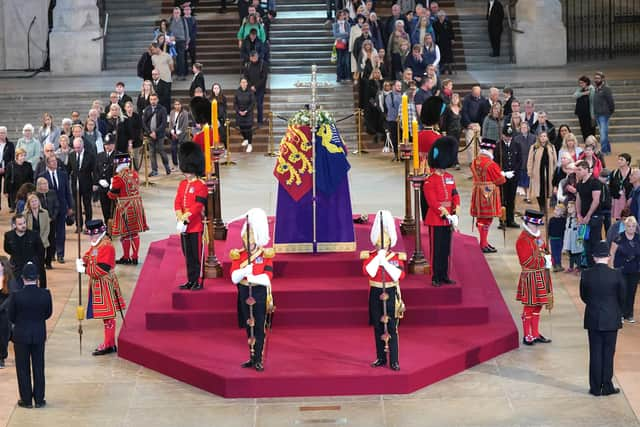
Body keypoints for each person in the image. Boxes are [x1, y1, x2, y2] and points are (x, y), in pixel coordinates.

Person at [230, 208, 274, 372]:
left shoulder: (266, 254)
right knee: (249, 325)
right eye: (246, 240)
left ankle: (259, 358)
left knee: (259, 327)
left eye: (251, 240)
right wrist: (243, 271)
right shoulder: (238, 255)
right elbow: (234, 277)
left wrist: (251, 276)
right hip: (243, 293)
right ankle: (251, 355)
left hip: (259, 293)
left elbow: (267, 277)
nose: (248, 243)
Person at [360, 210, 405, 371]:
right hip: (375, 292)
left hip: (391, 292)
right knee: (378, 327)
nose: (382, 243)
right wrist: (378, 258)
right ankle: (380, 357)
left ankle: (394, 360)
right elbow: (369, 272)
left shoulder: (394, 257)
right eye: (380, 241)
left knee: (392, 327)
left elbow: (399, 275)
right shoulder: (371, 256)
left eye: (385, 241)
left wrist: (385, 262)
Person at [580, 240, 625, 396]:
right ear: (608, 257)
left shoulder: (586, 274)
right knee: (608, 353)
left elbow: (584, 296)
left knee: (595, 353)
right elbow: (622, 298)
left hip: (593, 318)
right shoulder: (616, 275)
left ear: (593, 257)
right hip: (611, 318)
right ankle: (607, 386)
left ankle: (594, 388)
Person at [76, 220, 126, 356]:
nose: (90, 238)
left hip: (105, 284)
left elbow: (102, 269)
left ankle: (109, 344)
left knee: (108, 316)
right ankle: (109, 343)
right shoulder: (98, 243)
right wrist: (83, 260)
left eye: (92, 235)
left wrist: (85, 270)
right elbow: (90, 253)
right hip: (98, 285)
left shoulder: (106, 246)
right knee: (106, 316)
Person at [7, 262, 52, 408]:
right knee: (39, 367)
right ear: (37, 278)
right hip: (38, 334)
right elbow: (48, 313)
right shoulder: (45, 294)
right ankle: (39, 399)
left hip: (21, 335)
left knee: (22, 368)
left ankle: (26, 400)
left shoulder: (16, 296)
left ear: (23, 278)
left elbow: (11, 316)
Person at [423, 137, 459, 286]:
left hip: (449, 218)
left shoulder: (450, 177)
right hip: (437, 218)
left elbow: (455, 194)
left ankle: (444, 275)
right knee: (436, 250)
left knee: (446, 249)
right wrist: (445, 213)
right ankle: (435, 276)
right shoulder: (429, 180)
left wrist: (455, 211)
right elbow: (432, 202)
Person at [516, 209, 554, 345]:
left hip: (541, 275)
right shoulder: (523, 240)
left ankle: (536, 333)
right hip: (530, 276)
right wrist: (545, 260)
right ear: (527, 223)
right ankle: (527, 335)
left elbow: (543, 249)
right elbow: (526, 261)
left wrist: (547, 256)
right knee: (530, 306)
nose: (537, 228)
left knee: (538, 306)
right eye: (534, 225)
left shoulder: (536, 237)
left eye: (538, 225)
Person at [174, 142, 208, 291]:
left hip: (195, 226)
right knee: (187, 255)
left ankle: (199, 280)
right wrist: (179, 214)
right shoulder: (182, 184)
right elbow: (178, 200)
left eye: (188, 170)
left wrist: (187, 216)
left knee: (196, 256)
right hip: (184, 225)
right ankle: (190, 279)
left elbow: (198, 206)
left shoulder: (201, 185)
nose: (186, 173)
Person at [107, 154, 149, 265]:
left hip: (125, 207)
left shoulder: (118, 178)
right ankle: (134, 257)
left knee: (125, 233)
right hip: (137, 205)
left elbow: (112, 195)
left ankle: (126, 257)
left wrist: (109, 187)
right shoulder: (134, 174)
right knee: (134, 233)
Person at [470, 138, 509, 253]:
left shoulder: (475, 161)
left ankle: (484, 242)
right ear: (490, 149)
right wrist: (503, 174)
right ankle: (483, 243)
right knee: (487, 219)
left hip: (477, 191)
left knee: (481, 218)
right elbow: (500, 180)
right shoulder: (490, 163)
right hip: (488, 193)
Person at [38, 156, 72, 264]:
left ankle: (60, 254)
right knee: (50, 233)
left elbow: (68, 191)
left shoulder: (63, 175)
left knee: (61, 232)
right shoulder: (42, 176)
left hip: (62, 208)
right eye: (52, 161)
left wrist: (70, 206)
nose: (55, 163)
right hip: (49, 210)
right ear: (47, 164)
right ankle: (51, 254)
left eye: (55, 161)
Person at [609, 216, 640, 324]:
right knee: (622, 291)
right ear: (625, 227)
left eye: (633, 226)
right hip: (620, 269)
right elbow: (612, 252)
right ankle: (620, 313)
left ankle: (629, 314)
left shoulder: (638, 238)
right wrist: (611, 266)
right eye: (629, 226)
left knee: (632, 292)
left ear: (635, 227)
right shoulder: (619, 237)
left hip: (634, 270)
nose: (631, 228)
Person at [4, 214, 45, 284]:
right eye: (20, 224)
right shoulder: (8, 236)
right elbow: (7, 249)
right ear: (14, 225)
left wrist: (36, 264)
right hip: (16, 268)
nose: (23, 225)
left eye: (24, 223)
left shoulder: (34, 235)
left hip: (30, 267)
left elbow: (41, 251)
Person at [576, 160, 603, 267]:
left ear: (587, 170)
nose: (577, 172)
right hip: (583, 218)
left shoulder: (595, 182)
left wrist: (588, 215)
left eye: (579, 170)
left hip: (595, 217)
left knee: (595, 243)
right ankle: (590, 267)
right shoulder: (579, 184)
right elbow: (578, 199)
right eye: (576, 170)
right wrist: (578, 214)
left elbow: (596, 200)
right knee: (586, 244)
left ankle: (598, 267)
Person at [494, 124, 521, 228]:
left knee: (511, 198)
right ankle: (502, 220)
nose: (508, 138)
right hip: (502, 177)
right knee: (502, 198)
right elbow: (495, 161)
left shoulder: (516, 145)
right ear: (502, 135)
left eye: (510, 136)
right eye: (506, 136)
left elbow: (519, 161)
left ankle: (511, 220)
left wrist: (514, 172)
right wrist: (502, 173)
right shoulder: (498, 146)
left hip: (513, 177)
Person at [23, 194, 50, 288]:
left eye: (35, 201)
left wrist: (41, 241)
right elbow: (24, 229)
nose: (34, 203)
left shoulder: (45, 212)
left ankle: (43, 287)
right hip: (30, 243)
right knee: (30, 264)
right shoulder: (25, 214)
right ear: (29, 204)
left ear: (39, 202)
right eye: (32, 202)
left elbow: (47, 228)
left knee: (41, 266)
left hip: (42, 242)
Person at [69, 137, 96, 229]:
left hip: (87, 183)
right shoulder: (71, 155)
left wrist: (95, 183)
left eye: (78, 147)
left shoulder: (90, 155)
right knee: (77, 205)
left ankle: (88, 225)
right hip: (75, 184)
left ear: (82, 145)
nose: (77, 150)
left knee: (87, 204)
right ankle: (79, 225)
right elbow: (68, 169)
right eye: (75, 148)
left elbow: (95, 170)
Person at [527, 131, 557, 213]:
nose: (543, 138)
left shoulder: (551, 147)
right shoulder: (534, 147)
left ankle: (545, 206)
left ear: (547, 137)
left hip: (548, 172)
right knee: (539, 191)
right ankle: (541, 206)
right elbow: (530, 160)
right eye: (541, 136)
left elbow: (555, 160)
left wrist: (554, 171)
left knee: (547, 190)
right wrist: (529, 171)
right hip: (537, 172)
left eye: (545, 136)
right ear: (539, 138)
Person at [142, 94, 171, 176]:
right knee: (151, 153)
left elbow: (164, 123)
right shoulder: (147, 109)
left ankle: (166, 166)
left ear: (157, 100)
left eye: (154, 99)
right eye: (151, 99)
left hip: (160, 134)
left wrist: (156, 132)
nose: (153, 101)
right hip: (150, 135)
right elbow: (144, 123)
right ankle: (154, 170)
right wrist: (150, 133)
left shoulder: (162, 109)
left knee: (161, 150)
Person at [461, 86, 490, 165]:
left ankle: (479, 160)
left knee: (479, 144)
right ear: (472, 92)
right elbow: (464, 112)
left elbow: (484, 113)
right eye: (475, 93)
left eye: (478, 93)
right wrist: (468, 123)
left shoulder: (483, 100)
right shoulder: (467, 99)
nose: (476, 95)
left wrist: (482, 124)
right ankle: (472, 161)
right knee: (470, 144)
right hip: (470, 125)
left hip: (479, 125)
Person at [35, 178, 58, 270]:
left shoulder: (52, 193)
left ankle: (48, 261)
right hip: (40, 222)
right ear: (38, 185)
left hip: (52, 221)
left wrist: (52, 217)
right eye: (42, 184)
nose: (45, 185)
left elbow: (57, 206)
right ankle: (40, 262)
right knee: (42, 241)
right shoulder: (35, 195)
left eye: (46, 183)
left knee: (51, 241)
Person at [94, 136, 117, 223]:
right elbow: (95, 170)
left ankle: (114, 226)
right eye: (106, 144)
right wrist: (99, 180)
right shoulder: (100, 156)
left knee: (113, 208)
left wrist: (113, 181)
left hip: (113, 187)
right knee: (104, 207)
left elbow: (121, 171)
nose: (107, 146)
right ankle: (107, 226)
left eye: (109, 144)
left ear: (114, 145)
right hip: (102, 187)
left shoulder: (118, 156)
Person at [4, 148, 33, 213]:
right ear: (17, 156)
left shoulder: (28, 165)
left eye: (24, 155)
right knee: (17, 209)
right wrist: (5, 191)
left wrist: (32, 190)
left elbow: (31, 178)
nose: (23, 157)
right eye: (21, 155)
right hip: (14, 191)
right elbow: (7, 179)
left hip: (25, 190)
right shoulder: (10, 165)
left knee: (25, 207)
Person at [243, 51, 268, 126]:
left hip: (260, 88)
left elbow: (264, 78)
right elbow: (246, 76)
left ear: (257, 57)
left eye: (255, 58)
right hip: (250, 88)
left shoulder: (263, 64)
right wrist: (251, 86)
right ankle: (249, 120)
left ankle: (260, 121)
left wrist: (255, 86)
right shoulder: (248, 64)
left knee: (259, 105)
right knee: (249, 105)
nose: (253, 59)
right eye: (252, 58)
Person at [593, 72, 615, 155]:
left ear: (602, 79)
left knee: (603, 134)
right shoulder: (596, 88)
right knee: (604, 133)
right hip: (597, 114)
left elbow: (611, 102)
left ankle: (604, 151)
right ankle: (608, 150)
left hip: (604, 114)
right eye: (595, 78)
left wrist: (610, 111)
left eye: (598, 78)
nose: (596, 80)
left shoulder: (606, 89)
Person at [235, 78, 256, 153]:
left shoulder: (250, 91)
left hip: (248, 113)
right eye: (242, 82)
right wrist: (239, 111)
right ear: (240, 83)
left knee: (248, 128)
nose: (243, 84)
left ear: (247, 83)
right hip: (240, 113)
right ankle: (245, 139)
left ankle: (250, 144)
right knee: (241, 127)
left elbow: (252, 103)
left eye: (245, 82)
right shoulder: (237, 91)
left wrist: (246, 111)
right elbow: (235, 103)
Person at [169, 7, 190, 80]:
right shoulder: (171, 20)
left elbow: (187, 31)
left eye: (178, 12)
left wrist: (187, 42)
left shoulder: (183, 20)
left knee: (181, 59)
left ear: (180, 13)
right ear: (173, 13)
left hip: (181, 41)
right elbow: (169, 31)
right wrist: (170, 38)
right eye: (175, 12)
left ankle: (182, 74)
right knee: (174, 59)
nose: (176, 14)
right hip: (173, 42)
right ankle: (176, 73)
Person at [610, 153, 633, 221]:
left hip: (629, 199)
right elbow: (610, 186)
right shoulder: (614, 172)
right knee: (619, 218)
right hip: (618, 199)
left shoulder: (632, 172)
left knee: (630, 218)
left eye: (622, 160)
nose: (619, 161)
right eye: (619, 159)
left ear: (627, 162)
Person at [574, 75, 596, 141]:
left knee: (590, 130)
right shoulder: (580, 89)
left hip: (589, 113)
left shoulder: (591, 89)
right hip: (581, 113)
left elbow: (592, 102)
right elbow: (574, 95)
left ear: (586, 82)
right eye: (580, 83)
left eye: (582, 83)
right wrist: (583, 93)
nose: (580, 84)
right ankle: (586, 143)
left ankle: (592, 144)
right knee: (583, 129)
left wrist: (593, 115)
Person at [169, 100, 189, 170]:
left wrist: (178, 133)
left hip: (182, 135)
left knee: (182, 150)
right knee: (173, 149)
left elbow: (185, 125)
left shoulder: (185, 113)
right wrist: (172, 131)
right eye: (176, 104)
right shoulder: (172, 112)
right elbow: (170, 124)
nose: (177, 106)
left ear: (181, 105)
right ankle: (175, 164)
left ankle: (183, 165)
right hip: (173, 134)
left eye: (178, 104)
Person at [333, 10, 351, 83]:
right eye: (340, 15)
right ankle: (339, 77)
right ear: (338, 16)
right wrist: (344, 34)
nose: (342, 17)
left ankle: (347, 76)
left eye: (343, 15)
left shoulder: (347, 24)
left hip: (346, 44)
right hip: (339, 45)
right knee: (339, 62)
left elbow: (348, 34)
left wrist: (341, 35)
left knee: (346, 61)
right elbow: (335, 35)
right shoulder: (335, 24)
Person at [0, 127, 16, 210]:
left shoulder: (10, 144)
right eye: (0, 133)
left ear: (6, 134)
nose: (1, 134)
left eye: (3, 133)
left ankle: (11, 205)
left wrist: (6, 168)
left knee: (9, 187)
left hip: (7, 168)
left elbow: (12, 158)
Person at [210, 83, 228, 148]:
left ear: (220, 89)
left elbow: (225, 110)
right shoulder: (210, 98)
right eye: (215, 88)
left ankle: (226, 149)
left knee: (223, 136)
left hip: (221, 119)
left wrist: (225, 119)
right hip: (212, 120)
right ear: (212, 90)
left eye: (217, 88)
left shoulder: (223, 98)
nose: (216, 89)